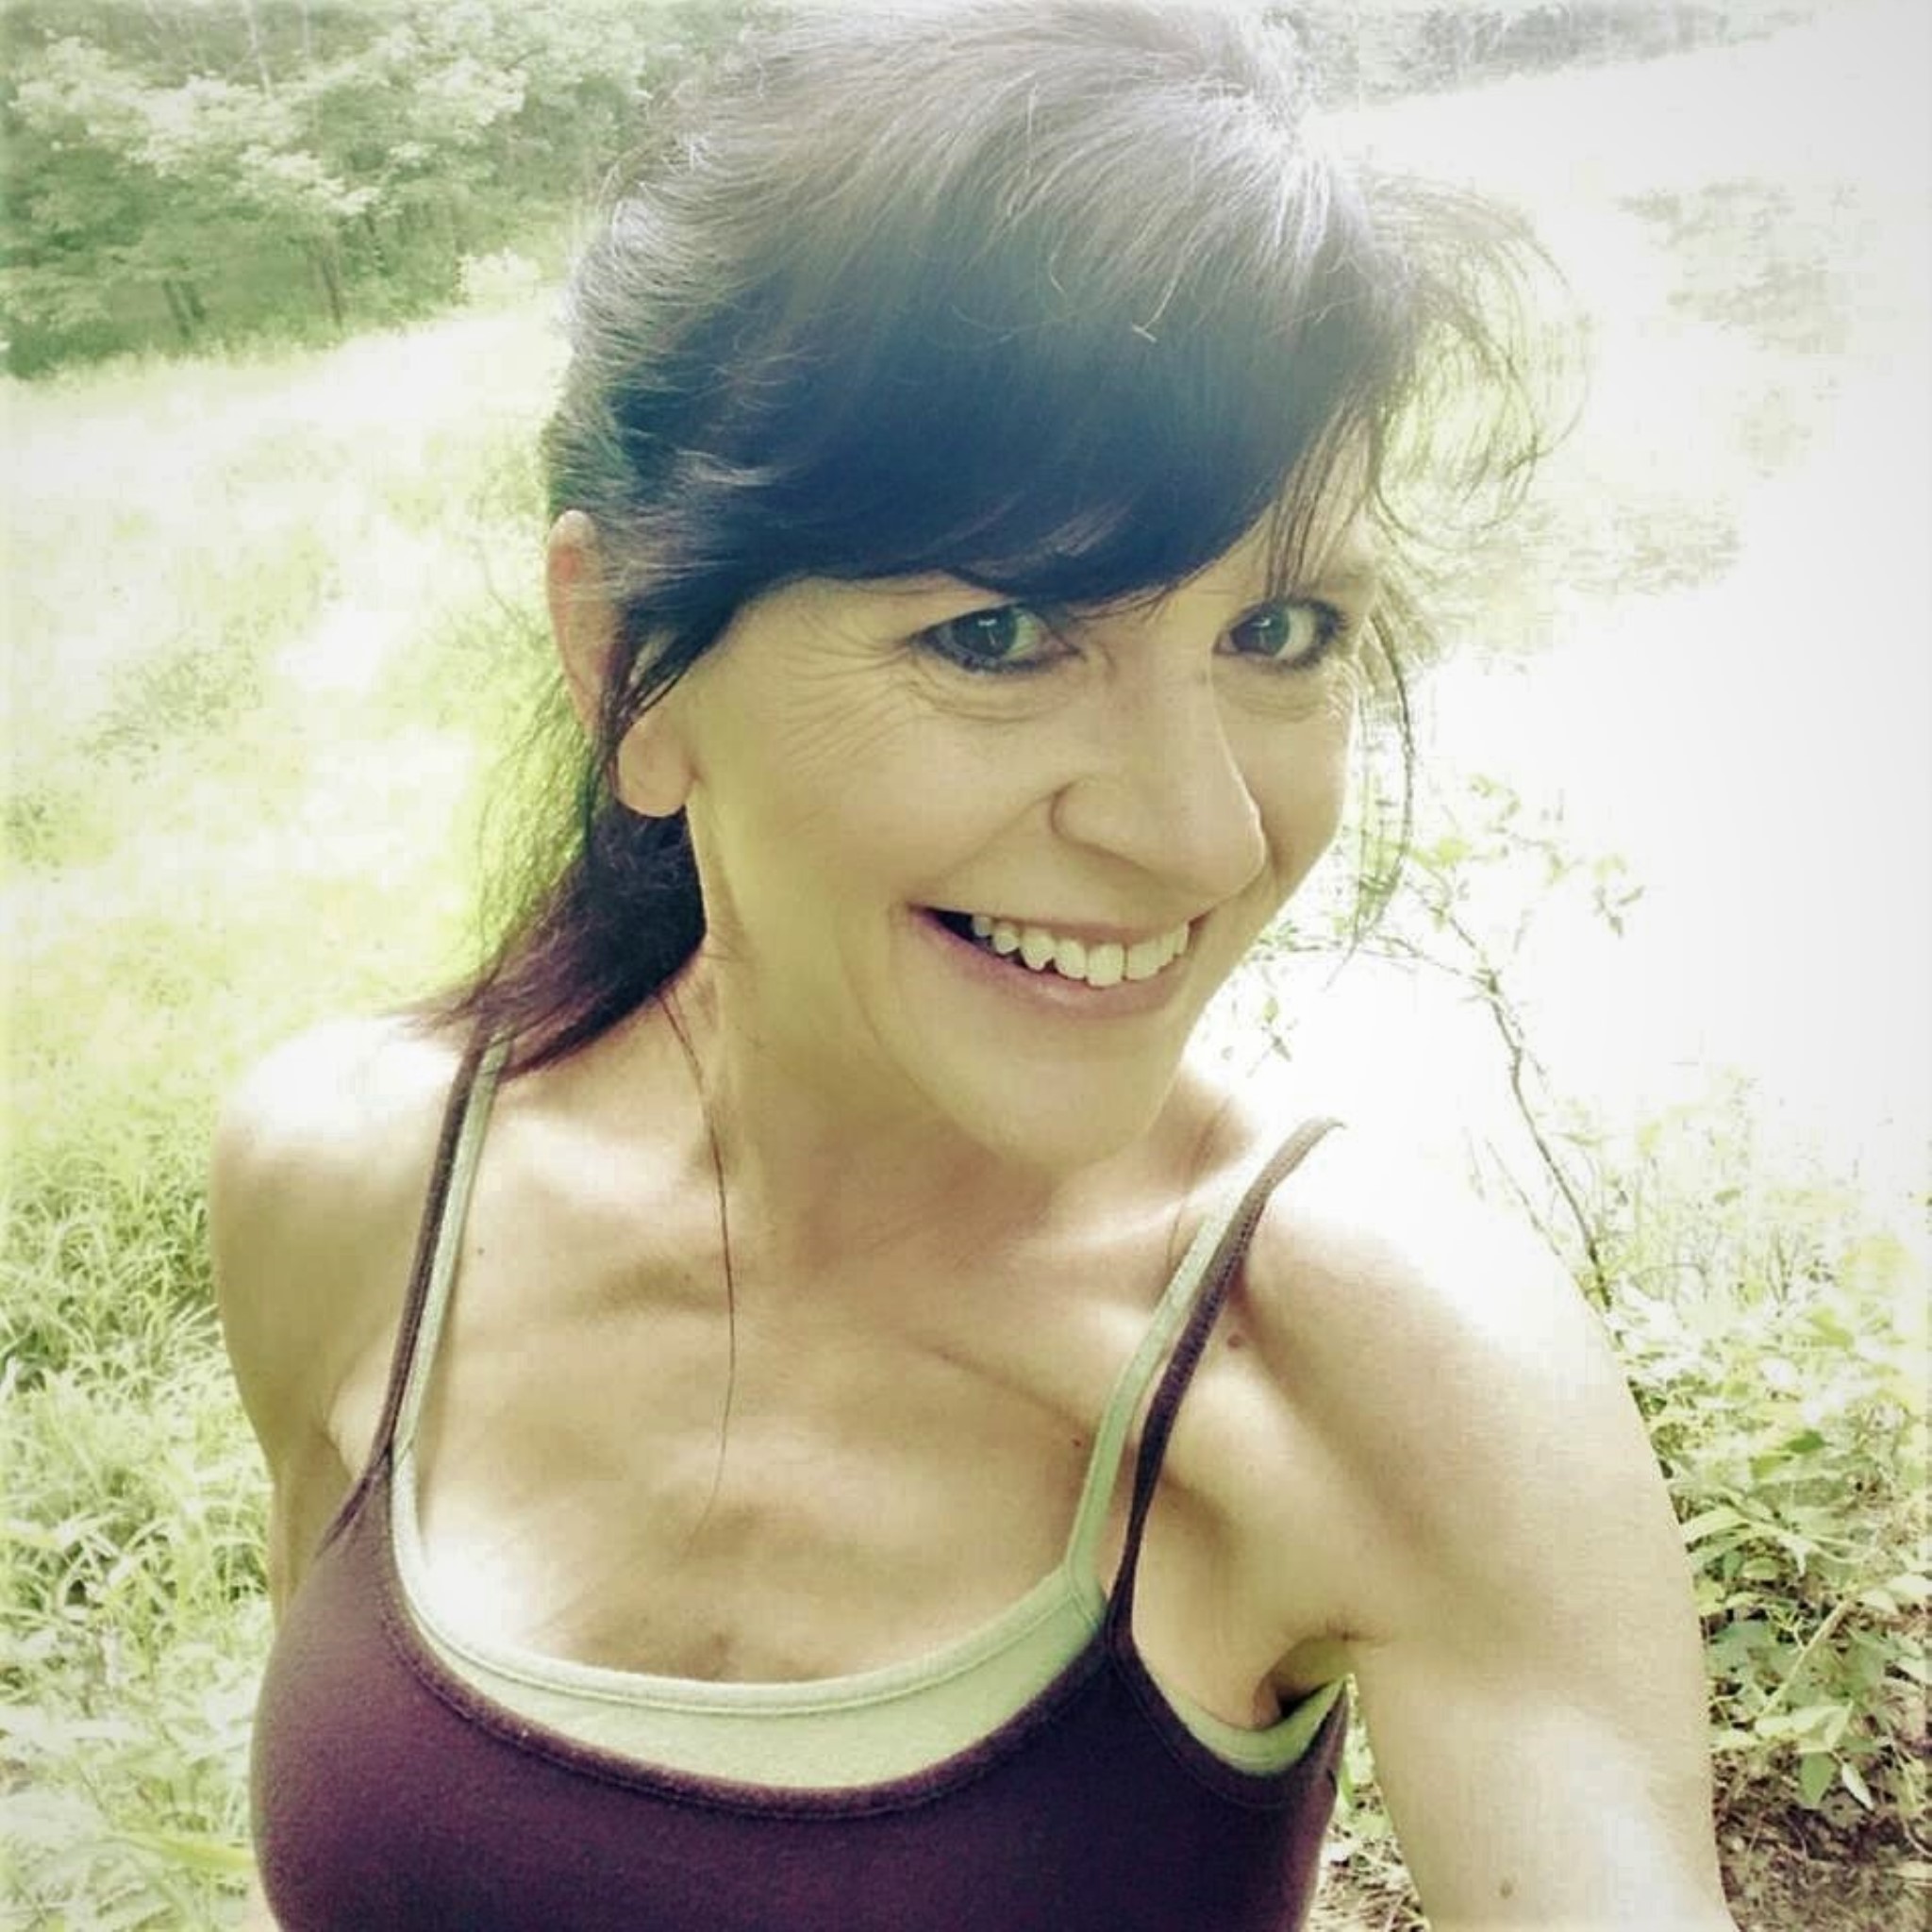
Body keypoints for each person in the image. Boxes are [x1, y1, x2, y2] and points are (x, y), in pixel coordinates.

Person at [211, 3, 1740, 1926]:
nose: (1201, 836)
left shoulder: (1379, 1366)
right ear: (624, 667)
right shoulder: (352, 1189)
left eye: (1279, 630)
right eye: (1001, 636)